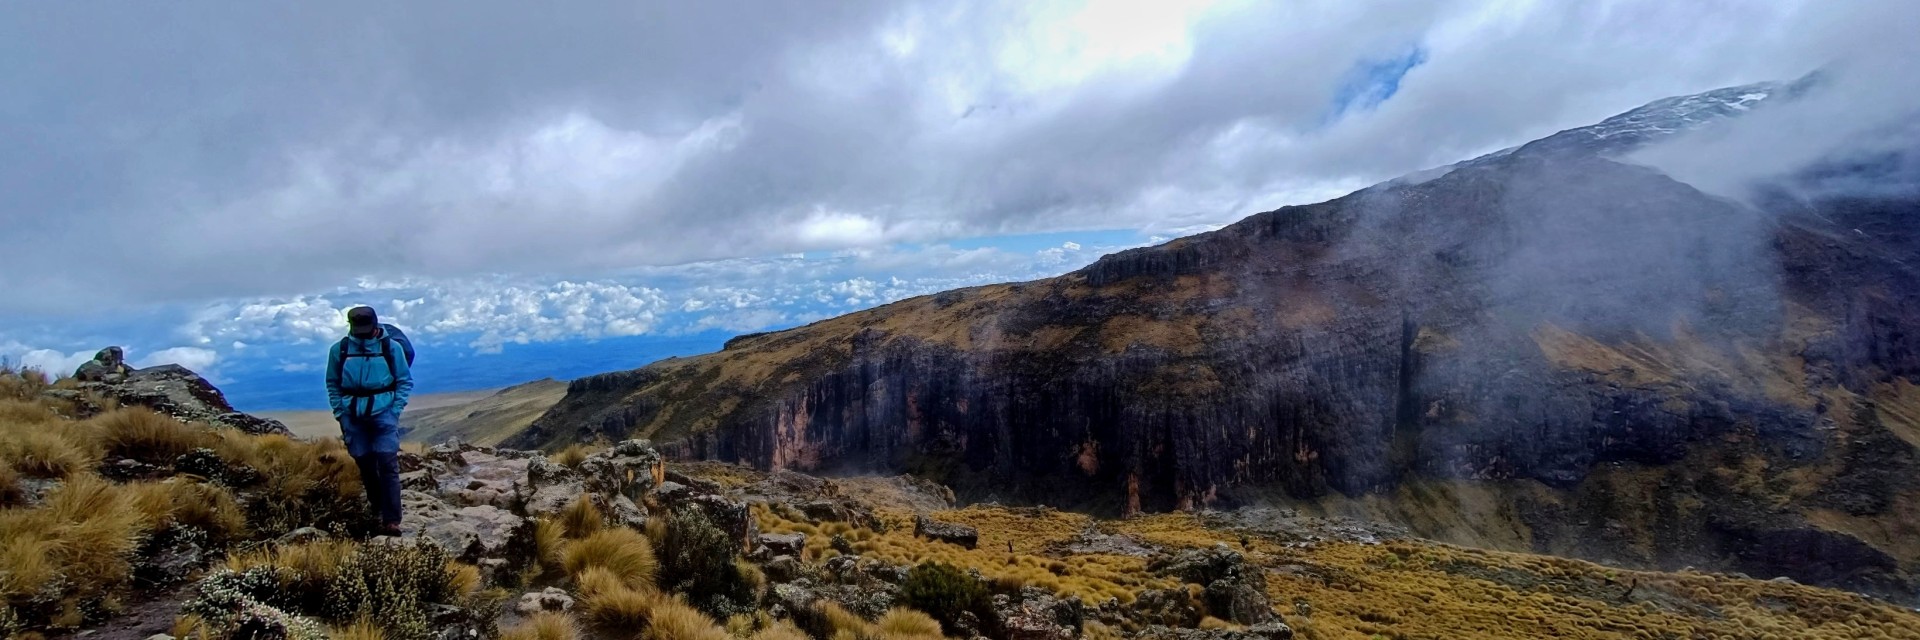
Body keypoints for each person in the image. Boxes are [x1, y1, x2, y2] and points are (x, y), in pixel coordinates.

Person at [325, 306, 414, 536]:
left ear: (376, 325)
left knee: (387, 463)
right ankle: (376, 508)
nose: (363, 334)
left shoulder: (390, 348)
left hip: (383, 412)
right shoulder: (340, 350)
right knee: (364, 463)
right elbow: (332, 382)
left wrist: (394, 410)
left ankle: (392, 520)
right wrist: (340, 412)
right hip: (352, 414)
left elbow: (404, 380)